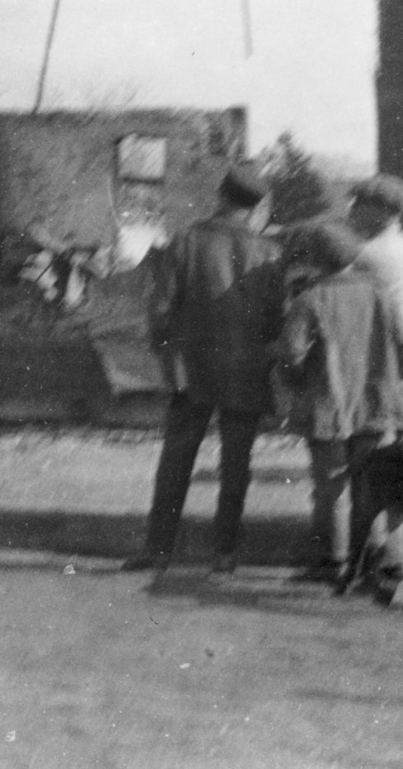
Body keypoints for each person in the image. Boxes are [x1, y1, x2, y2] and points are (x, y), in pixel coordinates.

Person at [121, 162, 285, 575]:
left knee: (176, 458)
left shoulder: (186, 241)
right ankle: (224, 553)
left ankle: (158, 549)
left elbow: (160, 310)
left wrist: (165, 351)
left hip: (191, 368)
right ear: (256, 206)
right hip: (246, 369)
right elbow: (276, 320)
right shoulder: (269, 252)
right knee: (236, 462)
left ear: (220, 195)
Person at [279, 219, 403, 584]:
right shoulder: (380, 294)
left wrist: (299, 382)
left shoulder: (309, 299)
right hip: (377, 404)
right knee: (373, 483)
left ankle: (336, 561)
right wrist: (390, 380)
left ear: (315, 259)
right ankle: (381, 558)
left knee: (332, 486)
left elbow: (291, 354)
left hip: (329, 406)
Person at [348, 174, 403, 411]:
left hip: (386, 367)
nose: (352, 209)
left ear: (381, 211)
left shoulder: (367, 253)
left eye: (359, 203)